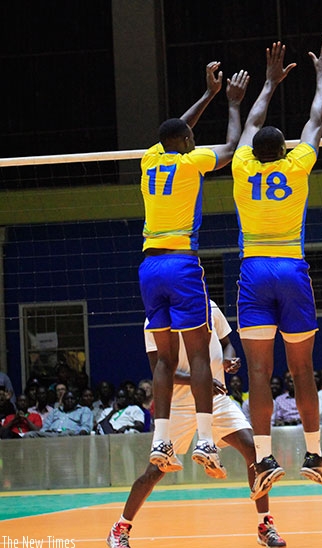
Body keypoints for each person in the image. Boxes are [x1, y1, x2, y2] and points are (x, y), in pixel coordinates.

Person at [233, 36, 322, 496]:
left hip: (255, 271)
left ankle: (263, 459)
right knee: (302, 370)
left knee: (259, 374)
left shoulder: (241, 165)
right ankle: (314, 456)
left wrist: (268, 84)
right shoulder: (297, 166)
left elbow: (251, 122)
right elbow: (315, 122)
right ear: (284, 151)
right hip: (292, 270)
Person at [139, 60, 249, 475]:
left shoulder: (149, 159)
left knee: (165, 360)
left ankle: (161, 441)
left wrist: (207, 95)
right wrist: (231, 103)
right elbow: (232, 147)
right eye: (190, 137)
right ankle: (206, 439)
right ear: (186, 142)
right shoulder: (191, 161)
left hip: (149, 267)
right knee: (200, 354)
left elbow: (175, 130)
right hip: (180, 263)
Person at [106, 301, 286, 548]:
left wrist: (228, 359)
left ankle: (264, 525)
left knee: (255, 453)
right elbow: (159, 370)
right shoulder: (156, 318)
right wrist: (200, 380)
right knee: (155, 471)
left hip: (217, 399)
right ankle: (120, 528)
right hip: (179, 406)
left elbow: (227, 343)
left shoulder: (210, 308)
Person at [26, 391, 92, 436]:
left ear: (77, 400)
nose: (70, 401)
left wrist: (81, 433)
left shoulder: (83, 410)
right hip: (52, 434)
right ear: (62, 401)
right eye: (67, 399)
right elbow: (45, 427)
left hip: (71, 434)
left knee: (65, 434)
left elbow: (86, 427)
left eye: (72, 399)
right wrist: (44, 432)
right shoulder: (55, 411)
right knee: (29, 435)